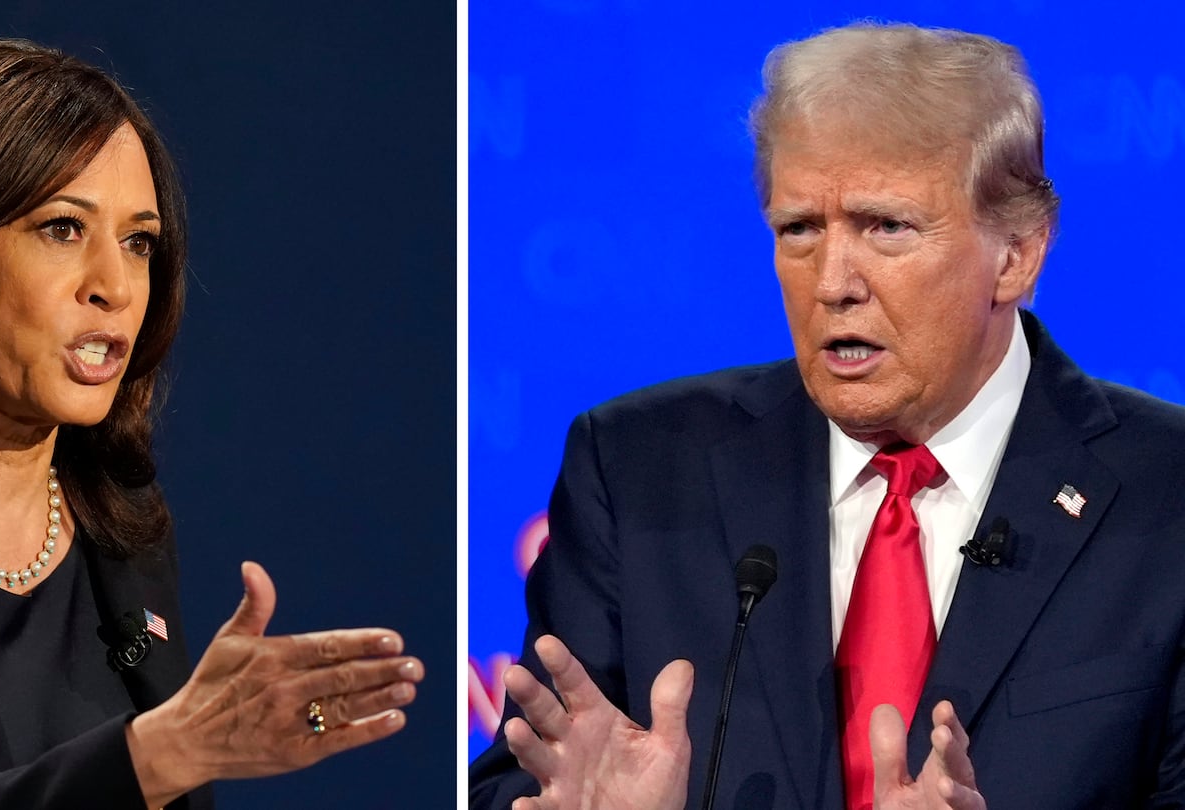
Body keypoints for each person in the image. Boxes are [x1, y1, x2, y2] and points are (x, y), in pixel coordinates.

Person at [469, 22, 1185, 810]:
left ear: (1015, 253)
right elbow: (529, 781)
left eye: (887, 226)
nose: (833, 282)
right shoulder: (636, 468)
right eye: (800, 229)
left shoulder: (1168, 492)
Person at [0, 39, 424, 808]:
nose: (116, 286)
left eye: (139, 244)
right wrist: (155, 757)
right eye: (63, 229)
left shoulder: (116, 524)